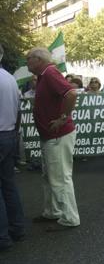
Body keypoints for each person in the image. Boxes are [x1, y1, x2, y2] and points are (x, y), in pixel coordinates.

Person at [27, 47, 80, 231]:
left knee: (60, 178)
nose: (27, 62)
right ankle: (53, 211)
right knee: (50, 176)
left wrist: (63, 118)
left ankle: (70, 217)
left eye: (29, 59)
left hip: (58, 135)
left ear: (39, 59)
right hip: (50, 136)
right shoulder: (44, 75)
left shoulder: (49, 72)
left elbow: (71, 93)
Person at [0, 44, 25, 251]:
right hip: (8, 135)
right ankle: (17, 229)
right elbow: (19, 111)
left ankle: (2, 238)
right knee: (8, 185)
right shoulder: (9, 78)